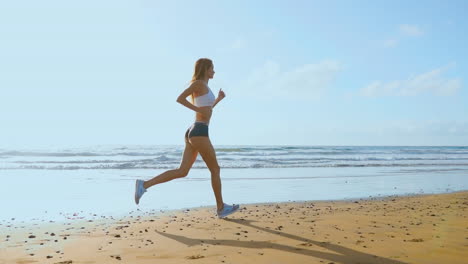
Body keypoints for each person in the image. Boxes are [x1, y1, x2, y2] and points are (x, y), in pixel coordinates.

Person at [134, 58, 239, 219]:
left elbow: (207, 110)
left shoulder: (205, 87)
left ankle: (144, 185)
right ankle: (220, 208)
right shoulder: (198, 84)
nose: (214, 71)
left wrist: (218, 99)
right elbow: (180, 99)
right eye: (212, 68)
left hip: (194, 130)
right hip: (199, 131)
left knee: (182, 171)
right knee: (215, 169)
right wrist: (197, 109)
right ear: (205, 69)